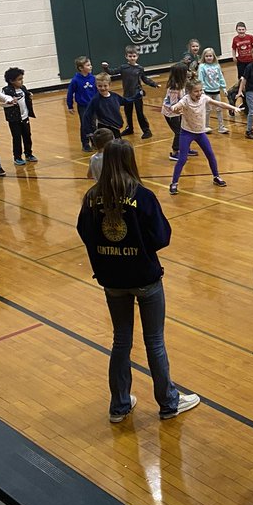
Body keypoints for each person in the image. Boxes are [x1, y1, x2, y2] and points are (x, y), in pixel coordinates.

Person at [76, 139, 200, 423]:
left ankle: (119, 405)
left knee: (121, 340)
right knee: (154, 340)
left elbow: (85, 233)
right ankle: (168, 402)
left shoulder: (92, 197)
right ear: (131, 161)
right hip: (145, 277)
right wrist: (138, 245)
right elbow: (161, 237)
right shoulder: (141, 196)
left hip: (112, 280)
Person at [165, 79, 237, 193]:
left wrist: (233, 108)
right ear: (189, 92)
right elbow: (176, 106)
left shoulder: (203, 98)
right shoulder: (185, 100)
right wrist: (174, 109)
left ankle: (216, 177)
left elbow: (219, 103)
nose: (199, 93)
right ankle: (174, 183)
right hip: (187, 133)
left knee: (210, 154)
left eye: (200, 90)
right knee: (182, 159)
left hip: (200, 133)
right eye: (196, 91)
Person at [3, 66, 37, 166]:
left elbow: (26, 95)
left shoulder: (23, 88)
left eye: (22, 79)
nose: (21, 81)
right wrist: (8, 102)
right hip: (14, 119)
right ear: (11, 80)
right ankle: (17, 157)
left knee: (27, 136)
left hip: (24, 117)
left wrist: (29, 95)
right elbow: (2, 103)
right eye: (19, 79)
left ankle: (28, 154)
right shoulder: (6, 91)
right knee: (17, 138)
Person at [66, 56, 98, 151]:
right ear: (81, 68)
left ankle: (94, 141)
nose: (91, 66)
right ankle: (85, 143)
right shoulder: (76, 80)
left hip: (93, 105)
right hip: (83, 106)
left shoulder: (93, 78)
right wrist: (70, 105)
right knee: (85, 124)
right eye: (88, 65)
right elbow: (70, 93)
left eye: (90, 64)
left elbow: (96, 91)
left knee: (94, 124)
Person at [197, 47, 229, 134]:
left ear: (213, 56)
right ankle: (206, 126)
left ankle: (221, 126)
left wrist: (224, 88)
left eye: (210, 56)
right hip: (207, 91)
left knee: (219, 108)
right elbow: (201, 78)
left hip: (216, 91)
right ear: (204, 57)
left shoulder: (217, 66)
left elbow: (220, 77)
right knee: (207, 109)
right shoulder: (202, 66)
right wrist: (201, 89)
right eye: (207, 56)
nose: (209, 58)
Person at [84, 73, 125, 139]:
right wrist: (89, 132)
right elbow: (87, 115)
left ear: (109, 85)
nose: (103, 88)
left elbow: (126, 101)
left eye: (105, 86)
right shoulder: (95, 100)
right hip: (104, 128)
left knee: (117, 146)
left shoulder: (114, 96)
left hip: (115, 127)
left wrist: (137, 96)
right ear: (96, 85)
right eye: (100, 86)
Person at [162, 63, 190, 160]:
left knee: (186, 130)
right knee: (179, 132)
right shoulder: (174, 88)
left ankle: (185, 148)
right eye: (186, 71)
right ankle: (174, 153)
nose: (188, 73)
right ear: (181, 74)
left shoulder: (182, 83)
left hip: (178, 112)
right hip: (171, 114)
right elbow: (173, 105)